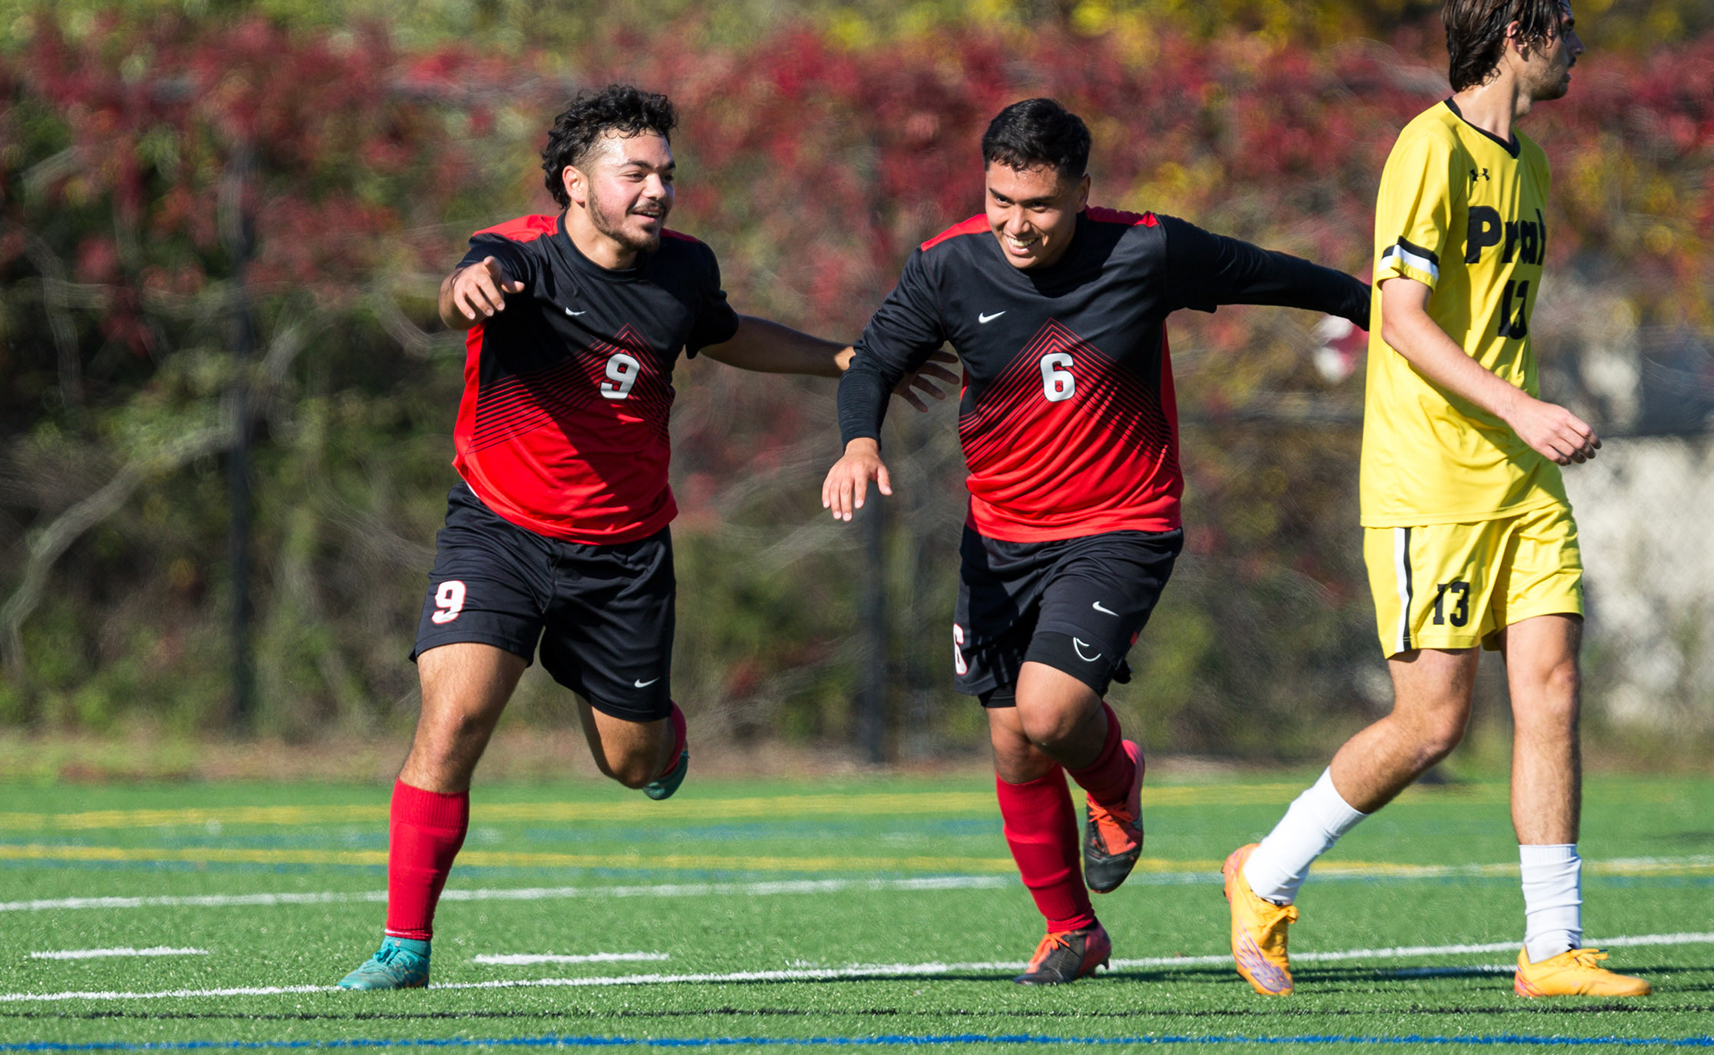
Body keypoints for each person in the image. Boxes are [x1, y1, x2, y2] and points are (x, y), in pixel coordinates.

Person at [338, 84, 952, 990]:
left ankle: (663, 736)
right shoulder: (517, 256)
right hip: (496, 531)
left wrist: (843, 358)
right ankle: (404, 946)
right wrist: (461, 292)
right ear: (575, 184)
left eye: (667, 174)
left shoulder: (683, 272)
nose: (657, 191)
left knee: (634, 764)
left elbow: (727, 334)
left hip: (622, 555)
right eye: (636, 174)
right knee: (454, 718)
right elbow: (461, 291)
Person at [824, 98, 1370, 985]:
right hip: (998, 538)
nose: (1016, 223)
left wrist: (1384, 313)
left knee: (1049, 713)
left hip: (1121, 524)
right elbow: (876, 360)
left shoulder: (1145, 249)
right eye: (1001, 199)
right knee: (1012, 741)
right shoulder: (946, 265)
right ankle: (1074, 930)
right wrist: (858, 441)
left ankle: (1115, 784)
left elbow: (1283, 277)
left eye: (1038, 204)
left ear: (1082, 190)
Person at [1222, 0, 1649, 998]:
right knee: (1432, 725)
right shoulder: (1429, 146)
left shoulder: (1532, 168)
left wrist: (1526, 424)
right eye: (1566, 28)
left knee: (1553, 685)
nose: (1579, 46)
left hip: (1520, 479)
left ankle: (1552, 948)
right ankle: (1266, 873)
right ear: (1516, 34)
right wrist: (1524, 407)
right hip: (1431, 480)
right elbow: (1401, 319)